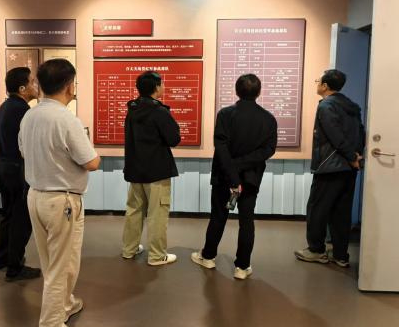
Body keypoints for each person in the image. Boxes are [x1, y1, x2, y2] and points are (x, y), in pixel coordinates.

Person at [19, 59, 101, 327]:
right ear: (69, 85)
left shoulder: (30, 116)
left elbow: (23, 151)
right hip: (61, 200)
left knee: (51, 261)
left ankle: (64, 304)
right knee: (60, 265)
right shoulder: (67, 119)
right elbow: (91, 162)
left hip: (36, 196)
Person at [191, 74, 277, 280]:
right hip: (251, 178)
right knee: (247, 221)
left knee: (218, 216)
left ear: (237, 91)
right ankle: (242, 267)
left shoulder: (225, 114)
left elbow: (221, 147)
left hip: (224, 176)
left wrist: (232, 173)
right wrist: (242, 166)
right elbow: (268, 150)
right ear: (259, 92)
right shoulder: (268, 119)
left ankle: (208, 256)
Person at [295, 69, 365, 268]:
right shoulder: (352, 106)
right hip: (349, 168)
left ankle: (316, 250)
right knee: (341, 211)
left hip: (330, 167)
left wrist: (350, 156)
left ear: (325, 86)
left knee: (317, 208)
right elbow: (361, 132)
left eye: (318, 80)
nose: (316, 83)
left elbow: (335, 135)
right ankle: (340, 254)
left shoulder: (326, 106)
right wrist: (356, 156)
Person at [122, 71, 181, 266]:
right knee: (157, 214)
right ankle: (157, 255)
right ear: (156, 87)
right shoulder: (159, 111)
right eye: (162, 83)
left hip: (135, 170)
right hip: (157, 172)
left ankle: (129, 249)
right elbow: (174, 139)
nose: (164, 86)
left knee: (134, 211)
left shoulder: (132, 109)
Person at [0, 66, 41, 282]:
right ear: (22, 88)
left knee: (8, 215)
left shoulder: (5, 106)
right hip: (17, 170)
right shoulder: (23, 111)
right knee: (21, 219)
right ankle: (15, 267)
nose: (35, 85)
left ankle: (2, 257)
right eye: (32, 82)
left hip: (3, 167)